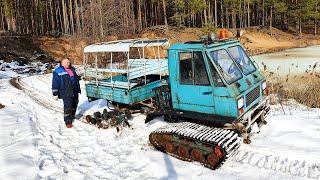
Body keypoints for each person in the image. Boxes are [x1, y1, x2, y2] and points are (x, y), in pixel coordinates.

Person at [52, 57, 81, 128]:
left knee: (75, 103)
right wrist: (55, 92)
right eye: (67, 62)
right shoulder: (58, 71)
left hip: (74, 90)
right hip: (66, 91)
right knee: (68, 106)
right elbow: (55, 82)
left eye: (69, 62)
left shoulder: (72, 69)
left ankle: (72, 116)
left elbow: (75, 79)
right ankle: (68, 122)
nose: (69, 63)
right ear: (62, 63)